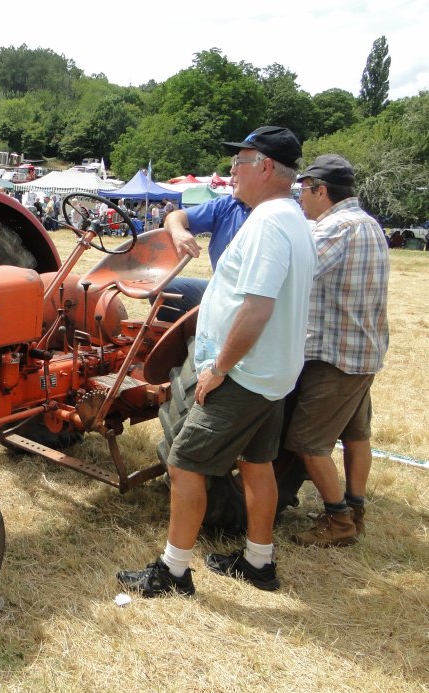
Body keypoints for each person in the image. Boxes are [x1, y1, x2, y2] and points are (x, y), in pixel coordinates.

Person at [117, 126, 315, 596]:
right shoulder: (294, 219)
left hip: (245, 373)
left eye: (240, 164)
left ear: (266, 167)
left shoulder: (267, 224)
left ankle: (174, 572)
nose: (232, 173)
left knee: (185, 463)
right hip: (274, 372)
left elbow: (257, 308)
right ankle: (258, 563)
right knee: (256, 462)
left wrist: (218, 369)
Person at [284, 155, 389, 546]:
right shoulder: (368, 223)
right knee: (356, 434)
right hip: (364, 351)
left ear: (321, 189)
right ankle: (355, 509)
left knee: (307, 445)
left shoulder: (334, 228)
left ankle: (339, 522)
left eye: (303, 190)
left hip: (335, 356)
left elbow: (295, 273)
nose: (300, 199)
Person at [158, 194, 252, 321]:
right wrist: (178, 231)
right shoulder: (226, 205)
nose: (231, 180)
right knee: (163, 289)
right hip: (220, 288)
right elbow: (174, 217)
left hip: (253, 296)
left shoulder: (274, 215)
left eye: (239, 173)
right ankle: (190, 334)